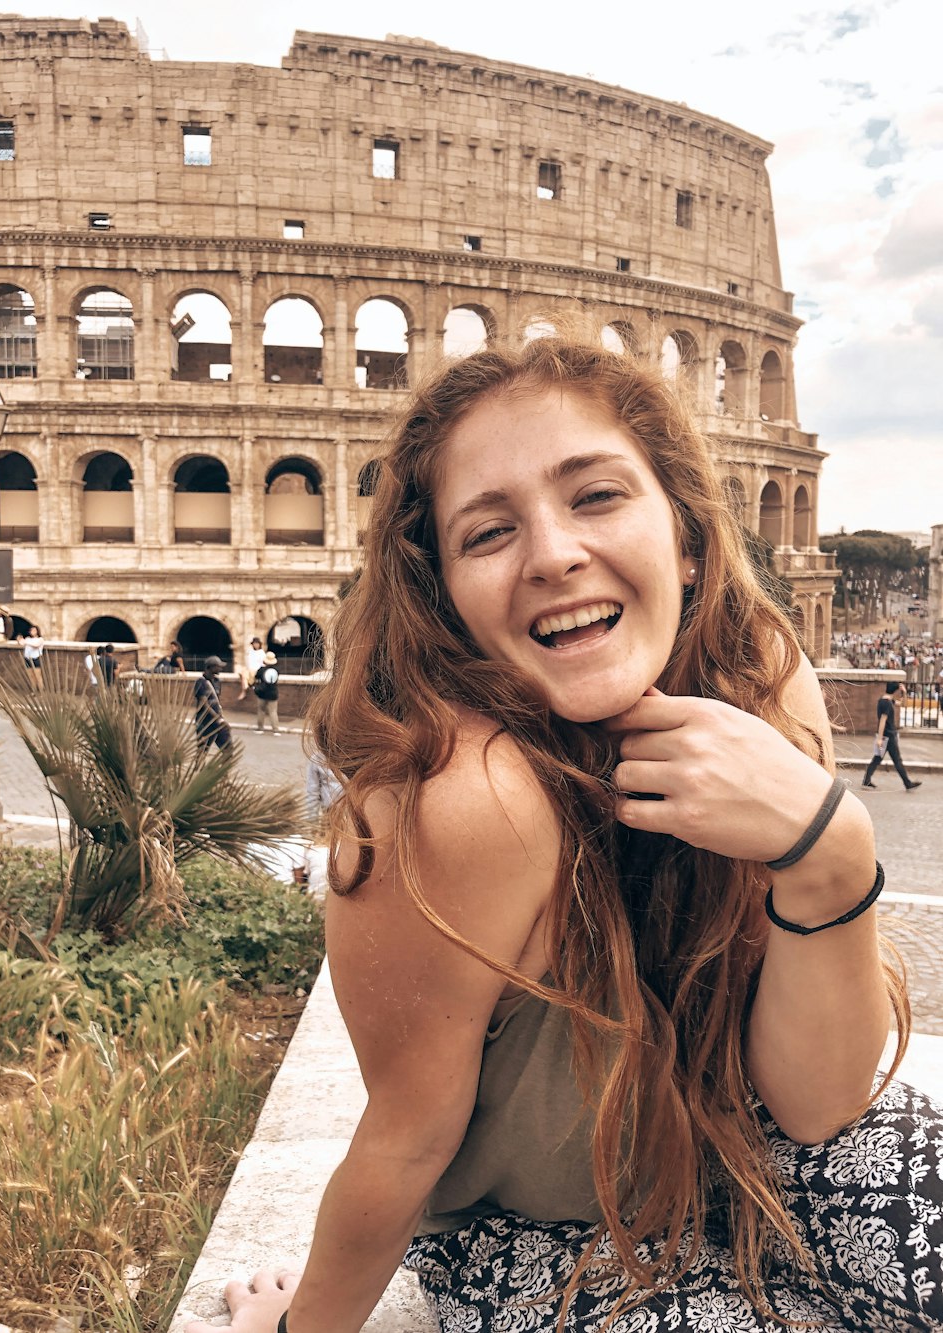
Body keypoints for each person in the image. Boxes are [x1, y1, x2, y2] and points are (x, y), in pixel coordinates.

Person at [187, 333, 942, 1333]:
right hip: (540, 1231)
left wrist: (826, 850)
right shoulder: (463, 796)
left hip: (760, 1145)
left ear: (682, 534)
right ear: (442, 595)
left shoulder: (758, 675)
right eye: (488, 533)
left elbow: (815, 1108)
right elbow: (405, 1141)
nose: (553, 554)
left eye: (595, 496)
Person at [862, 681, 922, 791]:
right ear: (895, 691)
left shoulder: (884, 700)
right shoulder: (887, 703)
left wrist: (904, 693)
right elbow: (882, 721)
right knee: (897, 760)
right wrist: (879, 738)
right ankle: (907, 783)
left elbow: (902, 704)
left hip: (885, 737)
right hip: (888, 737)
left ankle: (866, 781)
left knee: (877, 759)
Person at [194, 655, 231, 750]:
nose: (221, 668)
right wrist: (218, 718)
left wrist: (220, 718)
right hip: (205, 721)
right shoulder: (201, 682)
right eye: (218, 666)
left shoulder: (217, 681)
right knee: (202, 750)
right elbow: (204, 704)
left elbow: (217, 701)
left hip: (217, 720)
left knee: (228, 748)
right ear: (211, 667)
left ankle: (225, 765)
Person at [252, 651, 280, 732]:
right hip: (273, 693)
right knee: (273, 711)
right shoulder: (276, 670)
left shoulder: (262, 670)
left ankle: (260, 728)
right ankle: (275, 729)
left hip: (262, 693)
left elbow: (256, 676)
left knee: (261, 710)